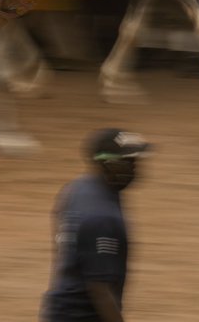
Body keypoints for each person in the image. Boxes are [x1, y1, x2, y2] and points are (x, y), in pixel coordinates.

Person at [42, 129, 151, 322]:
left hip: (60, 305)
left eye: (135, 162)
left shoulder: (77, 188)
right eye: (127, 162)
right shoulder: (103, 217)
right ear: (104, 163)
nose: (134, 169)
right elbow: (100, 290)